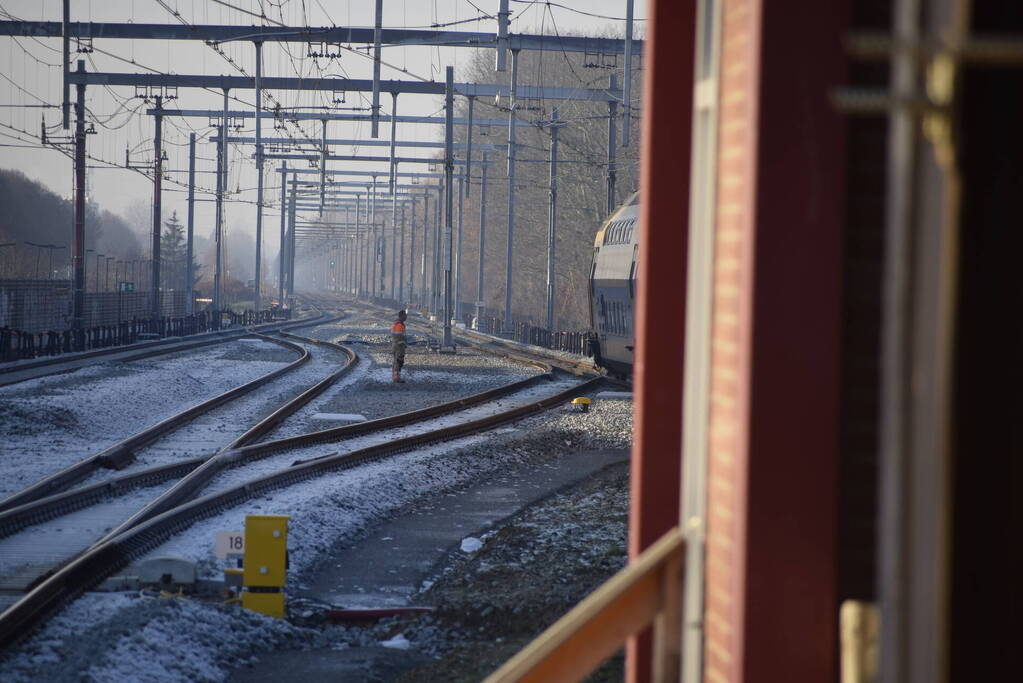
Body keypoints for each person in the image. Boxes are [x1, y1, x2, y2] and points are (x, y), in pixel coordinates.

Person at [391, 309, 407, 383]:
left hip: (397, 345)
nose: (406, 317)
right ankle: (396, 378)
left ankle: (396, 377)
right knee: (398, 361)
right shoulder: (399, 325)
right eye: (405, 315)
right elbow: (399, 336)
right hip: (399, 346)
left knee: (397, 361)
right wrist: (403, 343)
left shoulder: (397, 324)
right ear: (401, 316)